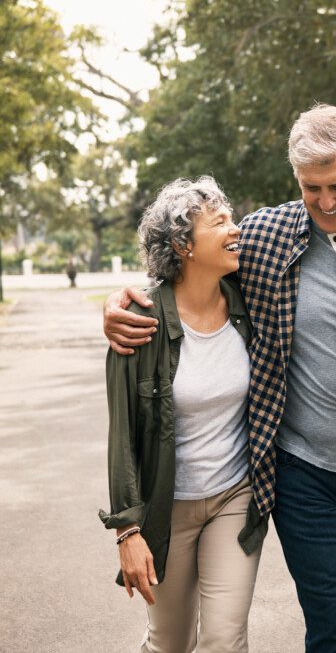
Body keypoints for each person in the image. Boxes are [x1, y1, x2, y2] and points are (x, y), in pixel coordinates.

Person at [104, 104, 336, 653]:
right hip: (297, 472)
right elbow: (186, 267)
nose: (325, 203)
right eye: (311, 188)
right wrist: (122, 302)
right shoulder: (265, 235)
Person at [99, 176, 266, 653]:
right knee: (170, 643)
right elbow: (122, 439)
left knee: (224, 639)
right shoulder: (139, 326)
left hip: (236, 498)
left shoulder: (248, 304)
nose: (236, 230)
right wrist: (127, 530)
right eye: (220, 222)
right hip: (165, 508)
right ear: (182, 244)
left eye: (232, 218)